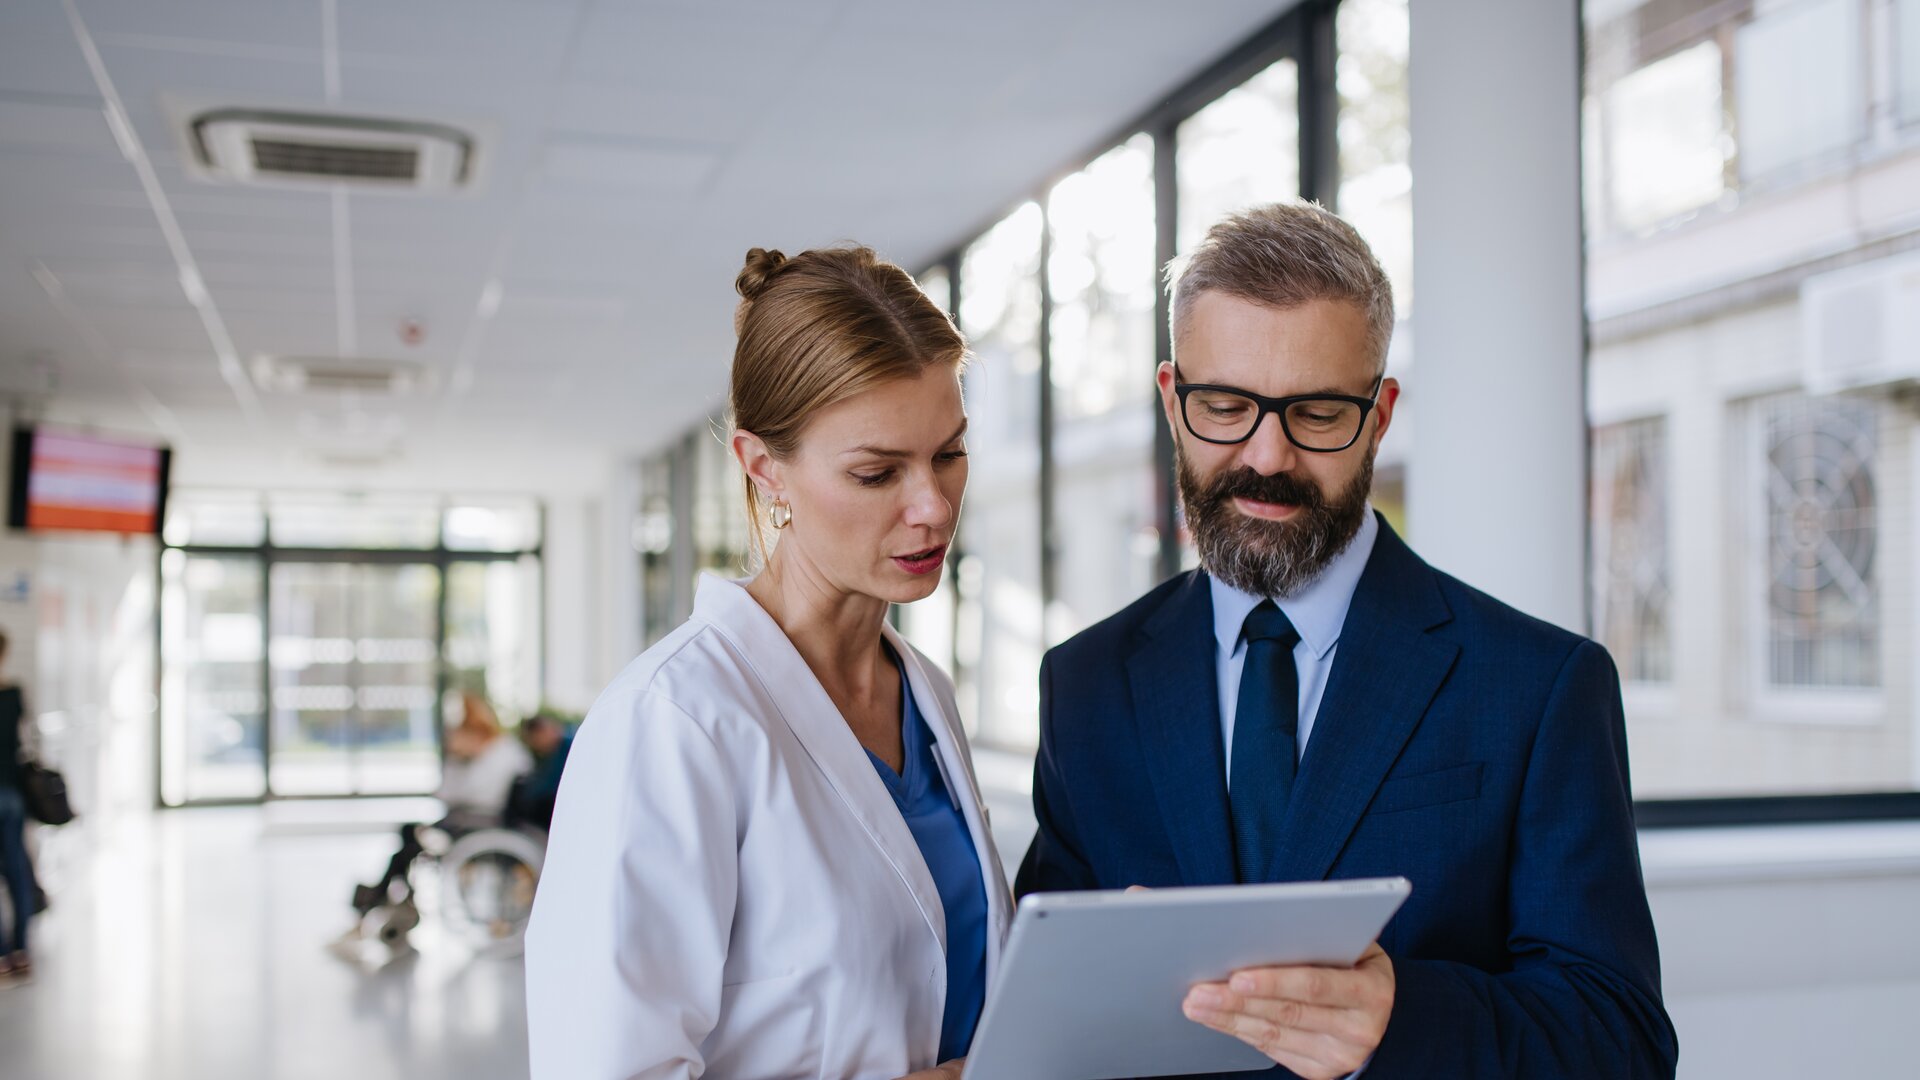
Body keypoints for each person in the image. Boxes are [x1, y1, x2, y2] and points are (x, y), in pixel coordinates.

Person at [1015, 203, 1678, 1079]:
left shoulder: (1541, 685)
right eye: (1226, 405)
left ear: (1380, 413)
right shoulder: (1086, 683)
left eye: (1318, 414)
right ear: (1174, 400)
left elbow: (1620, 1040)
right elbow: (1040, 1014)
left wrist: (1398, 1017)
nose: (1268, 456)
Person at [526, 245, 1008, 1080]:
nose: (932, 506)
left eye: (950, 454)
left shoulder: (921, 693)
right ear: (764, 468)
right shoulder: (672, 720)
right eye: (876, 471)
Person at [352, 691, 531, 915]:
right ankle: (389, 896)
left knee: (411, 838)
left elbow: (466, 795)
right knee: (409, 835)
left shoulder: (501, 755)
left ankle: (381, 896)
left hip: (480, 823)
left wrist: (458, 760)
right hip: (471, 818)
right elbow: (449, 794)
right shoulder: (494, 753)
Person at [0, 630, 36, 978]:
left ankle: (0, 954)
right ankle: (22, 950)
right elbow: (27, 741)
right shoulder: (14, 693)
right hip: (11, 793)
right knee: (17, 872)